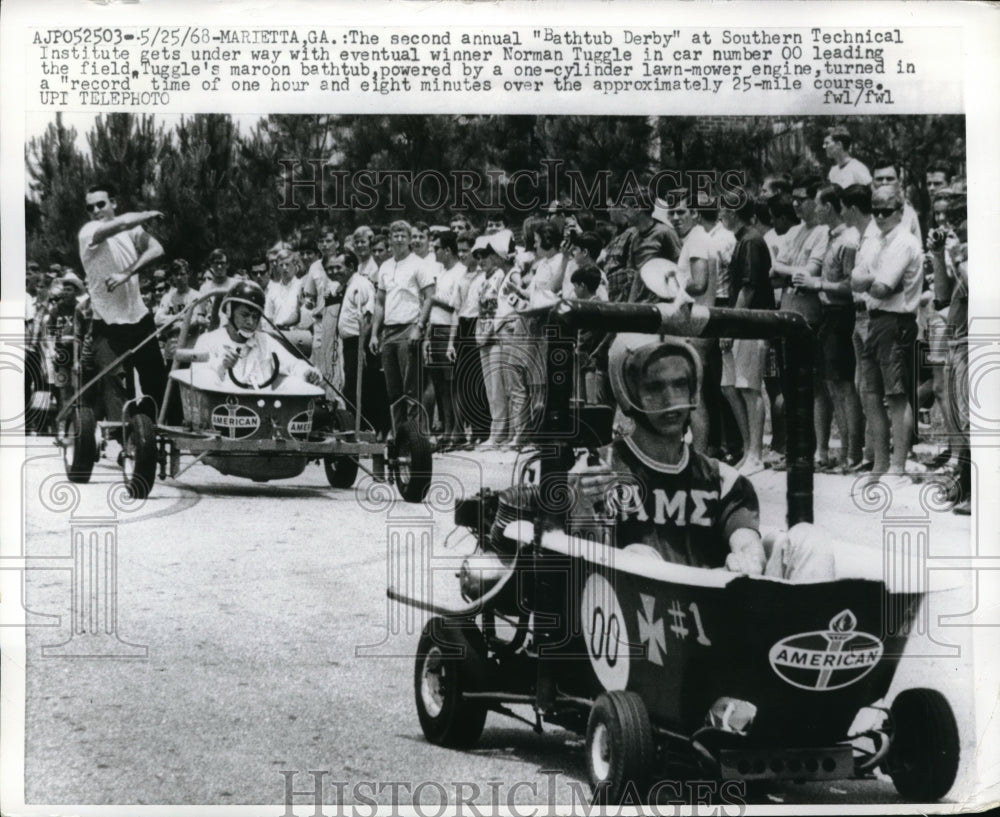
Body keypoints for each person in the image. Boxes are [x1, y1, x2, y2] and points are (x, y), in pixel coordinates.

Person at [568, 334, 833, 580]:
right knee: (638, 555)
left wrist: (748, 558)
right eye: (654, 387)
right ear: (628, 392)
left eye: (680, 384)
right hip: (635, 607)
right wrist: (580, 507)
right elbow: (584, 566)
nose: (670, 399)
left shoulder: (724, 480)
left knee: (808, 538)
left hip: (714, 604)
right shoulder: (596, 471)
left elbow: (747, 543)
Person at [76, 182, 173, 422]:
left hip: (139, 319)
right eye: (90, 207)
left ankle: (154, 430)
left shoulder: (132, 231)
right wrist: (147, 214)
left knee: (156, 383)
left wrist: (127, 273)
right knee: (116, 386)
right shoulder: (89, 231)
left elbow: (156, 249)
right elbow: (121, 223)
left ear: (114, 203)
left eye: (101, 204)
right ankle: (122, 436)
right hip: (108, 326)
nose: (96, 211)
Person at [851, 185, 923, 482]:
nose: (880, 216)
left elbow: (883, 287)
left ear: (901, 210)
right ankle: (880, 464)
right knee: (871, 396)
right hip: (874, 320)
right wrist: (873, 279)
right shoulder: (874, 240)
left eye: (886, 211)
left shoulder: (904, 242)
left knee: (896, 397)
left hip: (896, 322)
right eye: (875, 210)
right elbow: (855, 279)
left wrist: (868, 279)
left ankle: (898, 465)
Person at [369, 220, 435, 431]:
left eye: (403, 236)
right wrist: (374, 334)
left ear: (409, 239)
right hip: (389, 332)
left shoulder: (419, 264)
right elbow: (380, 302)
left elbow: (430, 297)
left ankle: (414, 437)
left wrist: (419, 326)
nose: (399, 239)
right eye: (395, 235)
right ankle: (399, 436)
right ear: (390, 239)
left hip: (409, 328)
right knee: (393, 390)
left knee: (411, 389)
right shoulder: (385, 267)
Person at [193, 281, 321, 387]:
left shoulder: (264, 341)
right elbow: (200, 376)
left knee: (295, 383)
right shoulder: (208, 340)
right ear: (229, 311)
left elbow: (293, 364)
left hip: (261, 407)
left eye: (255, 317)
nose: (250, 322)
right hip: (223, 406)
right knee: (207, 375)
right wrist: (222, 365)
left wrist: (307, 373)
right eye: (245, 315)